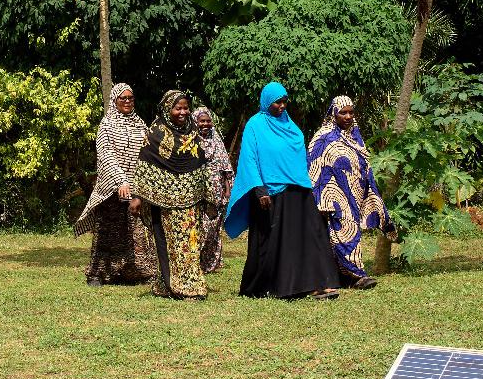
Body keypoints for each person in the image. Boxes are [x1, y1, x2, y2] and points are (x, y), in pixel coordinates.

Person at [224, 82, 340, 299]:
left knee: (308, 237)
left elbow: (297, 157)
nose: (282, 106)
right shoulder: (255, 125)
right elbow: (249, 158)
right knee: (273, 242)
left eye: (285, 101)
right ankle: (272, 286)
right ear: (267, 101)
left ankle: (314, 284)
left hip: (298, 191)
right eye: (278, 101)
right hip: (270, 193)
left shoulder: (291, 126)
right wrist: (259, 190)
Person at [132, 90, 218, 300]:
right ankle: (179, 286)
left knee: (190, 243)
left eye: (185, 108)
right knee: (172, 245)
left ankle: (186, 285)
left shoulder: (193, 131)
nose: (182, 112)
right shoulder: (156, 133)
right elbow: (144, 166)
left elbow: (201, 165)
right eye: (177, 108)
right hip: (166, 204)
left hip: (193, 201)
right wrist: (137, 196)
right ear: (167, 108)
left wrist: (209, 196)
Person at [308, 95, 395, 290]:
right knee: (344, 234)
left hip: (354, 195)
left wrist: (369, 193)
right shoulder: (323, 137)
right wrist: (321, 198)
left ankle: (342, 277)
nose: (347, 116)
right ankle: (358, 275)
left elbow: (364, 166)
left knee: (349, 233)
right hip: (332, 197)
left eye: (350, 112)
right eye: (343, 112)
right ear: (333, 114)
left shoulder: (355, 137)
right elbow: (314, 167)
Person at [74, 83, 156, 286]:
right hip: (111, 189)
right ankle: (98, 274)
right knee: (107, 232)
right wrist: (121, 179)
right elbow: (106, 155)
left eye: (130, 98)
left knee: (136, 233)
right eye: (123, 98)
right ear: (114, 101)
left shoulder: (140, 124)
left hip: (135, 190)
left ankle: (134, 274)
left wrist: (139, 183)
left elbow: (146, 154)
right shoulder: (107, 125)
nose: (127, 102)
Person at [191, 105, 234, 273]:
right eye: (202, 121)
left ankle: (211, 262)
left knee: (214, 228)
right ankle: (195, 262)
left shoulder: (216, 139)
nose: (206, 124)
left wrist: (227, 188)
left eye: (208, 121)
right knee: (199, 228)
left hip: (216, 192)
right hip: (196, 192)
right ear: (195, 121)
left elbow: (225, 167)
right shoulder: (189, 139)